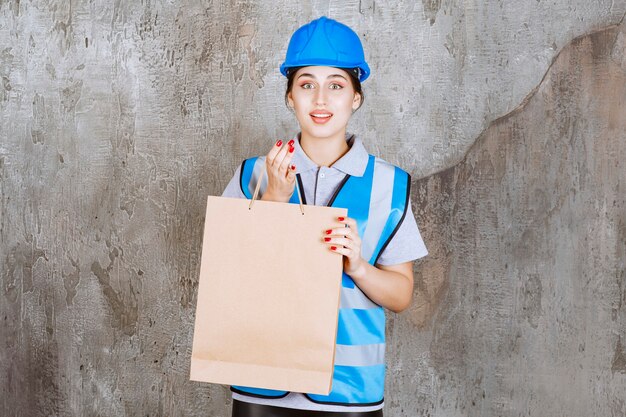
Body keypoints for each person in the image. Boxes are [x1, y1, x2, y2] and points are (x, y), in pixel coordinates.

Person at [221, 16, 428, 417]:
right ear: (289, 97)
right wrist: (273, 202)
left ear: (356, 97)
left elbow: (402, 295)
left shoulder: (389, 185)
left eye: (336, 85)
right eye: (306, 85)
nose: (320, 100)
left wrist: (360, 267)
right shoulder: (253, 175)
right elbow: (228, 272)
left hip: (349, 393)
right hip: (261, 388)